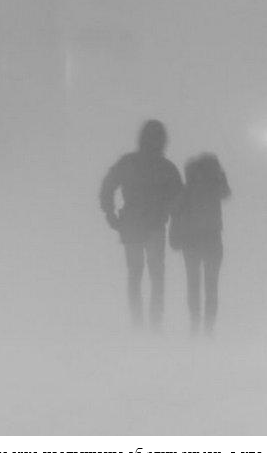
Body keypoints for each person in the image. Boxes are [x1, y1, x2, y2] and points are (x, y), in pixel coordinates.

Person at [99, 119, 184, 326]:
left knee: (135, 276)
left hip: (131, 227)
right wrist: (171, 216)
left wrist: (111, 215)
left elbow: (107, 186)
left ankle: (137, 324)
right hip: (155, 227)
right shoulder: (166, 167)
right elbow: (179, 199)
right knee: (156, 277)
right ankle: (155, 325)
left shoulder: (128, 162)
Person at [172, 149, 231, 331]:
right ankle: (208, 329)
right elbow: (227, 193)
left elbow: (175, 211)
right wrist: (221, 176)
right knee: (211, 286)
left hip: (191, 241)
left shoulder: (188, 187)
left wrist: (175, 235)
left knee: (193, 284)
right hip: (213, 239)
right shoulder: (215, 186)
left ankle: (195, 325)